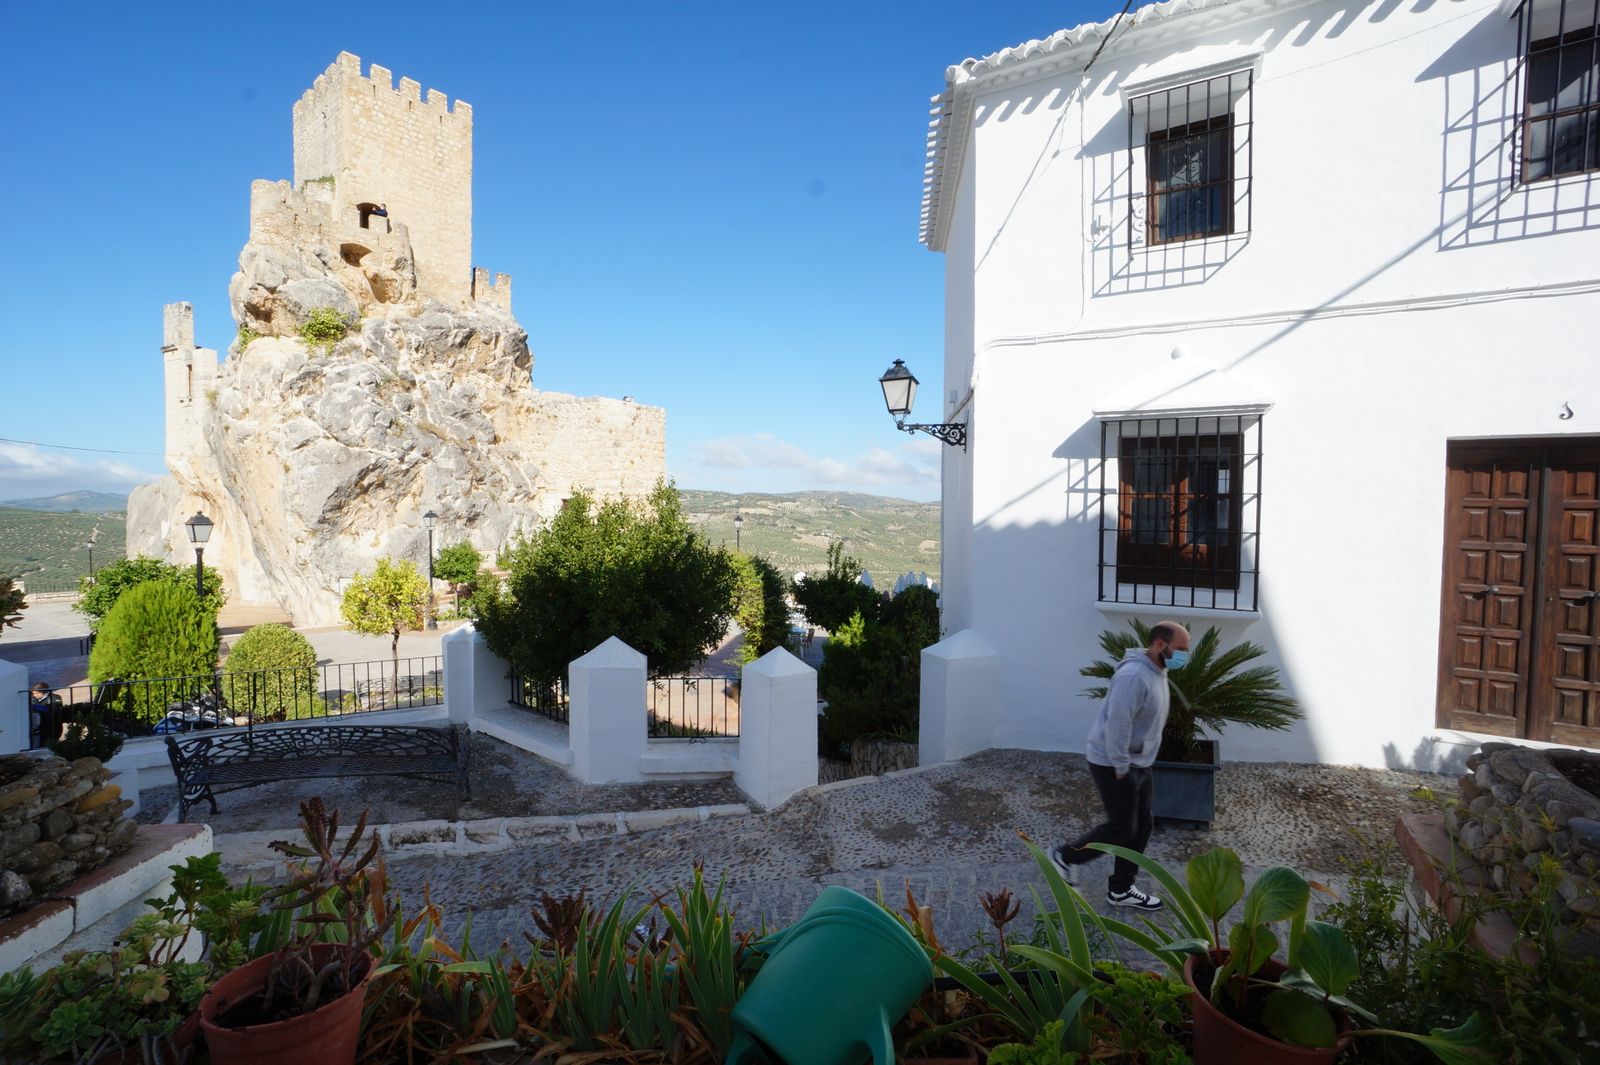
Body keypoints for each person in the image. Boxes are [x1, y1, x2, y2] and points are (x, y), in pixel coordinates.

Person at [1051, 621, 1191, 911]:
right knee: (1121, 827)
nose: (1183, 657)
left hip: (1139, 762)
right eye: (1180, 650)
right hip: (1114, 762)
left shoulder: (1157, 670)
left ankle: (1121, 889)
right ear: (1159, 645)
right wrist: (1121, 766)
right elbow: (1118, 724)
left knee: (1142, 825)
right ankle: (1066, 857)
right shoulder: (1134, 676)